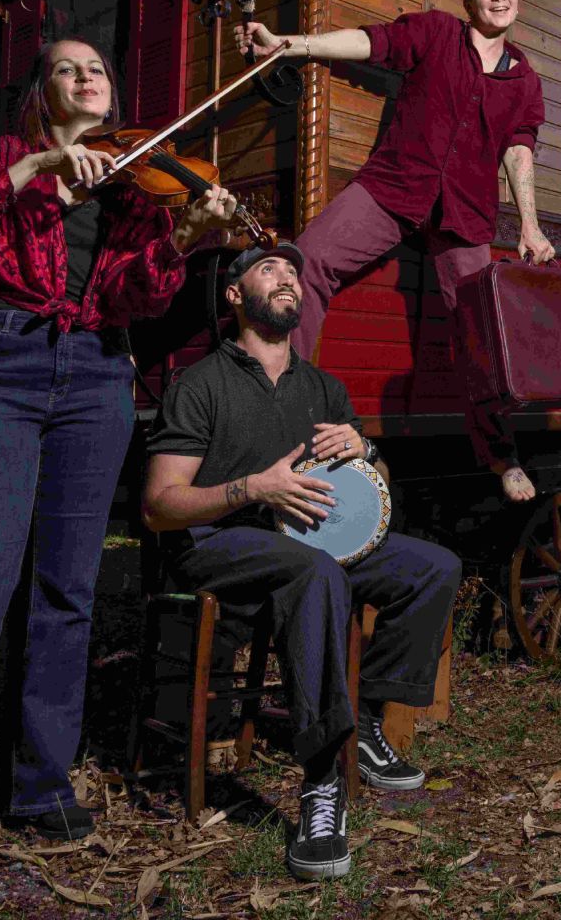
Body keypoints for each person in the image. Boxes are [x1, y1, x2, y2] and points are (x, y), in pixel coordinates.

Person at [0, 37, 240, 878]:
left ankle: (41, 785)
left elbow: (133, 298)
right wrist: (40, 163)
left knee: (67, 591)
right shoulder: (10, 158)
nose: (88, 76)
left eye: (100, 70)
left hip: (94, 373)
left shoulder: (134, 188)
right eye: (67, 68)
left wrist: (186, 232)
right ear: (41, 95)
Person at [143, 244, 462, 882]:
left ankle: (367, 721)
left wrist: (366, 449)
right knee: (312, 571)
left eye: (294, 270)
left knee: (434, 566)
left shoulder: (322, 387)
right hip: (223, 544)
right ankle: (322, 781)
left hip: (315, 540)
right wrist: (254, 489)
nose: (288, 277)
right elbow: (159, 505)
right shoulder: (200, 385)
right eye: (269, 269)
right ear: (234, 296)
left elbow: (377, 486)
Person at [234, 0, 556, 502]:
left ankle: (502, 457)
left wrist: (530, 223)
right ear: (468, 2)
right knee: (304, 264)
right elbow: (369, 44)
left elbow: (518, 150)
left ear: (515, 1)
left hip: (463, 213)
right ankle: (282, 410)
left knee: (479, 328)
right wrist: (287, 44)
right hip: (395, 185)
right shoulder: (435, 32)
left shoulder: (524, 79)